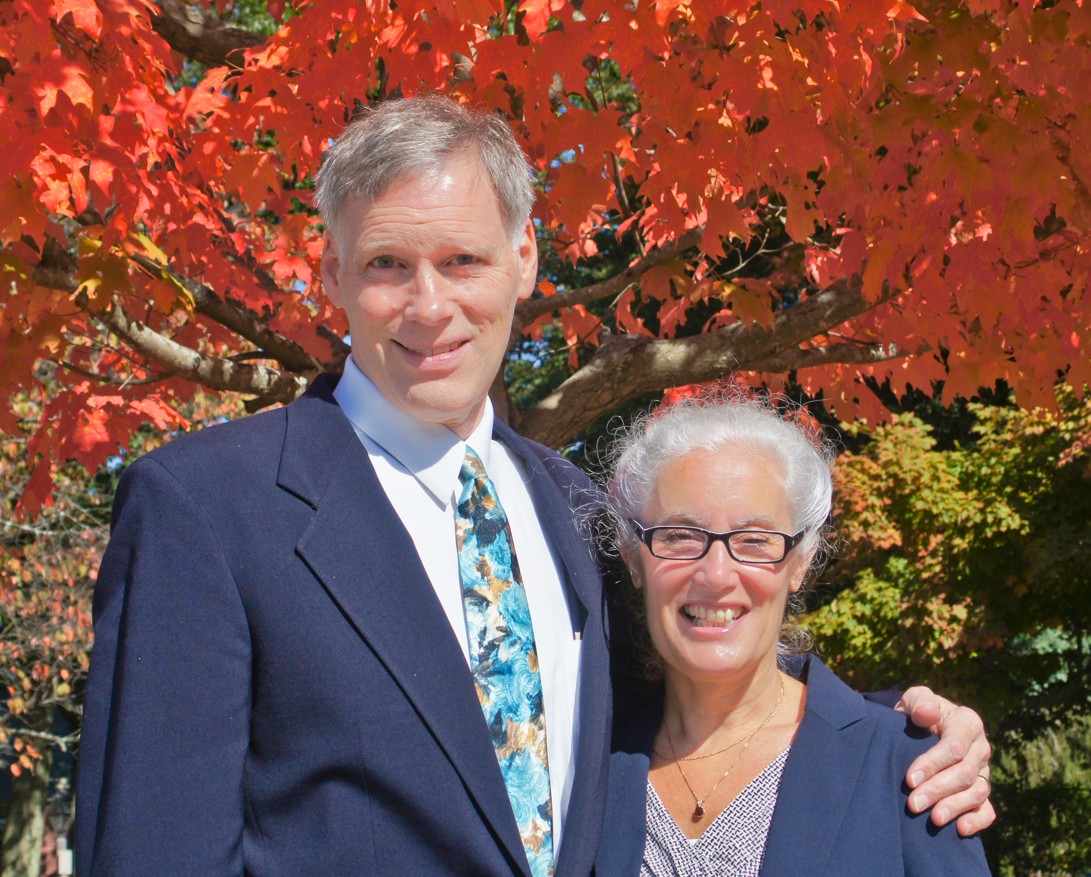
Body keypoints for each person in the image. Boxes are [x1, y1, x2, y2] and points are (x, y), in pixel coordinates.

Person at [75, 96, 993, 877]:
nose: (429, 305)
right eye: (387, 263)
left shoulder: (576, 510)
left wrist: (899, 732)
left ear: (524, 260)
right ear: (332, 274)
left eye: (463, 261)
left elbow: (702, 663)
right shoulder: (207, 507)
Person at [595, 390, 993, 876]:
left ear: (800, 561)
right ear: (633, 556)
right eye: (680, 535)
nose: (716, 575)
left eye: (754, 540)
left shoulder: (908, 767)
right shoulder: (584, 765)